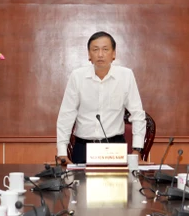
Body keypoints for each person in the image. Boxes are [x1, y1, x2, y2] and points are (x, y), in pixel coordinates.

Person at [56, 31, 146, 164]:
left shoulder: (126, 76)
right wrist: (62, 153)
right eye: (95, 50)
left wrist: (137, 150)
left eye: (105, 49)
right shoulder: (77, 76)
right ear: (89, 55)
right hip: (83, 148)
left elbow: (137, 114)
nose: (100, 54)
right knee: (80, 185)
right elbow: (66, 115)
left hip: (114, 148)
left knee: (118, 185)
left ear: (114, 54)